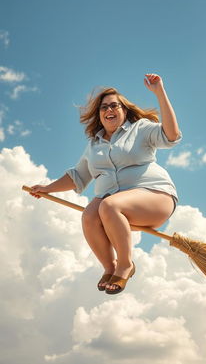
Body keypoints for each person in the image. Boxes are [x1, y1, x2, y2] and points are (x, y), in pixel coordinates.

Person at [30, 73, 182, 295]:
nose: (109, 110)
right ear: (99, 115)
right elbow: (77, 175)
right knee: (90, 215)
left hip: (154, 196)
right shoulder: (94, 145)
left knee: (108, 205)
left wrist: (160, 92)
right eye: (104, 108)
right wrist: (47, 188)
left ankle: (125, 264)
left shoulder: (141, 128)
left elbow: (171, 135)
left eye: (114, 106)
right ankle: (110, 267)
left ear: (124, 111)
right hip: (113, 204)